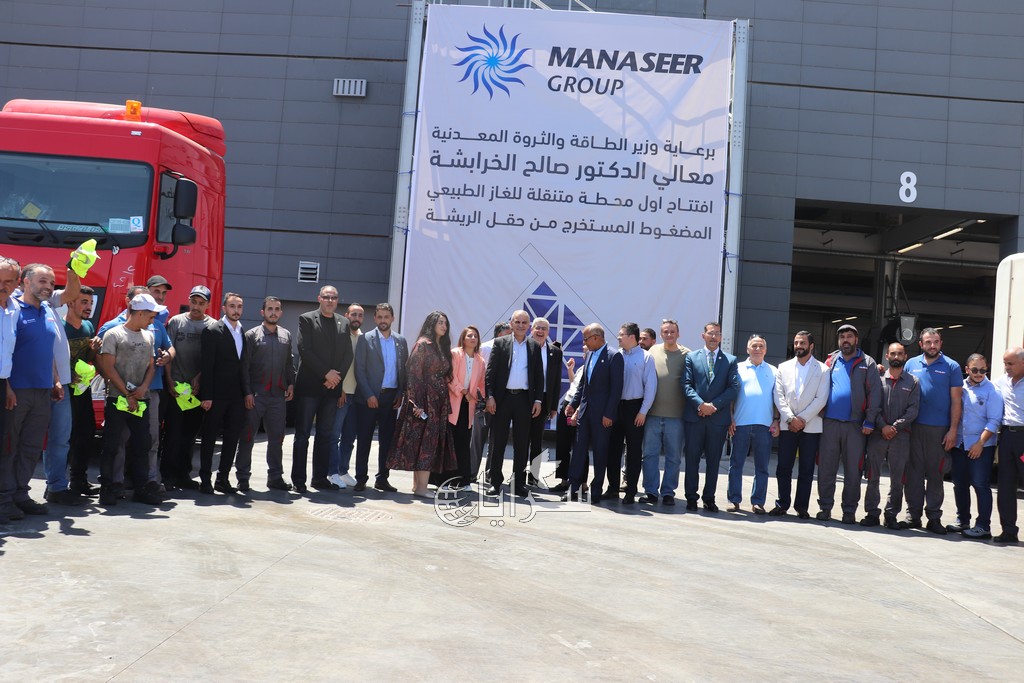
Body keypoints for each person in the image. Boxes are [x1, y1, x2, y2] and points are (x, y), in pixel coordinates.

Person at [0, 263, 62, 520]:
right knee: (9, 447)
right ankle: (4, 499)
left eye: (51, 283)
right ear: (25, 282)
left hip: (42, 391)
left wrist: (55, 380)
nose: (48, 287)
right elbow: (5, 351)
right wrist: (8, 386)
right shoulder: (13, 310)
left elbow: (48, 351)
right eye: (42, 281)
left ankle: (20, 495)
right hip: (16, 391)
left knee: (31, 447)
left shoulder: (47, 310)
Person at [96, 293, 164, 506]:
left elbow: (151, 366)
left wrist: (142, 389)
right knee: (112, 444)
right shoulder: (113, 334)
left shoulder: (149, 336)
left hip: (141, 400)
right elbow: (108, 368)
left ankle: (141, 488)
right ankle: (107, 488)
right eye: (151, 316)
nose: (152, 320)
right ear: (140, 313)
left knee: (142, 444)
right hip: (117, 399)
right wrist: (127, 394)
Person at [816, 324, 881, 524]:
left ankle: (849, 511)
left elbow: (875, 393)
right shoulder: (831, 361)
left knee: (853, 471)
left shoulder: (867, 362)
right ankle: (825, 507)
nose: (846, 340)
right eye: (842, 337)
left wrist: (870, 420)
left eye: (849, 336)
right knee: (826, 468)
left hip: (856, 426)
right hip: (830, 424)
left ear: (856, 339)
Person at [388, 311, 458, 496]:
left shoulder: (440, 346)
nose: (444, 326)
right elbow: (413, 375)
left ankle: (418, 487)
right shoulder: (423, 344)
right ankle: (421, 488)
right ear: (431, 324)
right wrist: (415, 403)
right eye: (440, 322)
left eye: (446, 323)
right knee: (425, 443)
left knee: (427, 444)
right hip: (424, 403)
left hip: (438, 402)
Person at [292, 286, 353, 493]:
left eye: (334, 297)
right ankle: (298, 480)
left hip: (332, 390)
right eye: (326, 297)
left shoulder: (344, 322)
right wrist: (326, 374)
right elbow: (304, 350)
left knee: (325, 435)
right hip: (309, 388)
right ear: (319, 298)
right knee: (302, 435)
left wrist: (335, 378)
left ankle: (319, 478)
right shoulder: (307, 319)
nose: (330, 300)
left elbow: (348, 355)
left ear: (337, 300)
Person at [903, 328, 962, 534]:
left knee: (936, 475)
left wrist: (953, 430)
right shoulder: (911, 364)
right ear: (921, 344)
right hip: (913, 428)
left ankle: (934, 518)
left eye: (936, 342)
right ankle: (913, 515)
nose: (932, 345)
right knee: (913, 474)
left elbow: (956, 401)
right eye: (928, 342)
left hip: (939, 431)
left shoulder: (952, 366)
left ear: (941, 343)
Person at [238, 296, 295, 491]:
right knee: (247, 437)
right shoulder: (251, 335)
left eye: (277, 309)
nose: (273, 312)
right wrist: (247, 392)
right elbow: (244, 367)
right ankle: (243, 477)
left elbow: (289, 363)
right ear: (262, 312)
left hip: (278, 397)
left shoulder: (286, 335)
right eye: (270, 309)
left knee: (277, 440)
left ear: (281, 312)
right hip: (256, 396)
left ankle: (275, 477)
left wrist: (291, 384)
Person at [485, 310, 544, 496]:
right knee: (498, 441)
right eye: (517, 322)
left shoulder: (534, 346)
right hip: (502, 399)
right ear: (511, 323)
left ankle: (518, 483)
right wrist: (490, 396)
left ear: (529, 325)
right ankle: (495, 482)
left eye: (524, 322)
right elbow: (490, 373)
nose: (520, 325)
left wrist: (538, 400)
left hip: (524, 400)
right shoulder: (500, 343)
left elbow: (539, 376)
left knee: (522, 443)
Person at [682, 321, 739, 512]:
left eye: (717, 334)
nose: (714, 337)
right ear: (703, 335)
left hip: (717, 419)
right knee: (692, 459)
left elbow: (733, 388)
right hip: (695, 417)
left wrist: (713, 406)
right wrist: (701, 405)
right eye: (711, 333)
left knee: (713, 461)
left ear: (721, 337)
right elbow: (686, 385)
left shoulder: (730, 360)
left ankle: (709, 498)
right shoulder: (692, 357)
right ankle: (691, 497)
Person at [771, 331, 828, 519]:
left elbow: (821, 398)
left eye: (802, 343)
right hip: (788, 425)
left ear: (811, 346)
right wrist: (790, 418)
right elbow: (778, 396)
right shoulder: (783, 367)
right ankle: (782, 504)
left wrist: (802, 419)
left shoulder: (823, 370)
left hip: (810, 426)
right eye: (796, 343)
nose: (798, 346)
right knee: (783, 467)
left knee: (806, 468)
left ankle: (802, 507)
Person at [162, 285, 215, 489]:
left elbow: (212, 359)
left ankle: (183, 475)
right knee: (172, 434)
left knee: (190, 435)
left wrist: (200, 378)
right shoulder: (176, 322)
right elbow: (167, 352)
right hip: (176, 389)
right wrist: (169, 380)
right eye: (194, 302)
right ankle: (167, 476)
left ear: (208, 305)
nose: (196, 307)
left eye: (201, 303)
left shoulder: (213, 326)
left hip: (196, 392)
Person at [861, 342, 919, 529]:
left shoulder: (913, 382)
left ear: (905, 357)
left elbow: (913, 410)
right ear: (887, 356)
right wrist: (883, 426)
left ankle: (891, 515)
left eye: (899, 354)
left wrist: (894, 427)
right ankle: (872, 513)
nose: (896, 357)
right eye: (892, 354)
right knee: (873, 476)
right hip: (878, 435)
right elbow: (871, 405)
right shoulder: (877, 379)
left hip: (900, 436)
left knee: (897, 479)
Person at [564, 323, 623, 504]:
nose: (584, 343)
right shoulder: (589, 354)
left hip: (602, 415)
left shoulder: (614, 356)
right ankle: (573, 488)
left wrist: (609, 414)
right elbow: (583, 384)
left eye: (586, 339)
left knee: (600, 452)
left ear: (596, 338)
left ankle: (596, 489)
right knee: (578, 451)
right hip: (585, 413)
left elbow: (616, 389)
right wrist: (574, 404)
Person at [198, 292, 250, 494]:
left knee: (232, 438)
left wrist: (246, 393)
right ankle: (205, 480)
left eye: (239, 306)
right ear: (224, 308)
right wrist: (206, 396)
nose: (236, 310)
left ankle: (223, 479)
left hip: (236, 396)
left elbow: (242, 365)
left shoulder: (242, 331)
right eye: (232, 306)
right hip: (215, 395)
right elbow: (207, 366)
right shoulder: (212, 330)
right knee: (209, 438)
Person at [354, 302, 407, 492]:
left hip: (391, 398)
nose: (383, 320)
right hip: (369, 397)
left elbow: (403, 370)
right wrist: (369, 394)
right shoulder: (365, 339)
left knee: (387, 441)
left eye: (387, 317)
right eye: (380, 317)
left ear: (392, 318)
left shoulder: (401, 341)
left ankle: (382, 479)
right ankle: (361, 479)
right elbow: (359, 370)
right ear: (375, 318)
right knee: (364, 439)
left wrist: (400, 393)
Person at [947, 353, 1001, 539]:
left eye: (983, 370)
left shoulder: (992, 391)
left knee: (980, 484)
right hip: (960, 444)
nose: (979, 373)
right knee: (959, 483)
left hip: (981, 446)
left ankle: (983, 526)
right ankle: (962, 520)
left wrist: (980, 443)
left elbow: (994, 421)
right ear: (967, 369)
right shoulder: (959, 387)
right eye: (975, 370)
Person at [727, 335, 780, 514]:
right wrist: (730, 418)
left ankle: (758, 501)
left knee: (762, 466)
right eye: (754, 346)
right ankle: (734, 499)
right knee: (736, 464)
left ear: (765, 349)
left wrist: (776, 420)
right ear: (747, 349)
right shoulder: (737, 368)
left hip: (764, 425)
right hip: (740, 424)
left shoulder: (773, 371)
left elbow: (777, 399)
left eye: (760, 346)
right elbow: (731, 396)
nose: (757, 349)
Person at [640, 319, 690, 505]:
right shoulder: (652, 352)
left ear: (678, 334)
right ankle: (651, 491)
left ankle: (668, 492)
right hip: (652, 414)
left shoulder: (687, 355)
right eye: (666, 332)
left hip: (676, 416)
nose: (669, 335)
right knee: (649, 455)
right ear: (660, 334)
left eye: (672, 332)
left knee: (673, 458)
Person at [609, 322, 657, 505]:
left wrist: (643, 411)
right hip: (616, 408)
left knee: (634, 451)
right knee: (613, 449)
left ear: (631, 337)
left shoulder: (646, 357)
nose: (618, 337)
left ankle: (630, 491)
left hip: (635, 408)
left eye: (621, 334)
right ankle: (612, 488)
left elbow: (651, 387)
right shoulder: (617, 355)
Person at [64, 284, 101, 496]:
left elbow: (88, 360)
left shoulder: (88, 327)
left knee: (86, 433)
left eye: (91, 303)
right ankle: (56, 485)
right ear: (70, 302)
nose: (88, 307)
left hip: (83, 390)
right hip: (63, 391)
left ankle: (79, 480)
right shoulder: (60, 327)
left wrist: (93, 350)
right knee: (64, 437)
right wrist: (66, 376)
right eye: (84, 302)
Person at [328, 303, 364, 489]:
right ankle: (332, 472)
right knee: (334, 435)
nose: (356, 318)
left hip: (357, 395)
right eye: (353, 314)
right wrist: (340, 389)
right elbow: (335, 363)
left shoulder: (364, 338)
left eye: (360, 315)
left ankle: (343, 470)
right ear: (346, 315)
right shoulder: (340, 335)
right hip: (341, 393)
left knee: (349, 438)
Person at [448, 325, 486, 489]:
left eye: (475, 336)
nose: (473, 338)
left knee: (464, 443)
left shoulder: (480, 360)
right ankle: (446, 480)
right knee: (450, 442)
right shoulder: (455, 354)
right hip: (453, 403)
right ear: (463, 339)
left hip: (468, 405)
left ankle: (463, 481)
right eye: (469, 335)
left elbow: (482, 383)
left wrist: (486, 399)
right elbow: (450, 377)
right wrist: (463, 391)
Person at [993, 347, 1024, 544]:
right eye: (1005, 363)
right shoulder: (1002, 381)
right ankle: (1009, 531)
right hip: (1006, 438)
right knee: (1005, 485)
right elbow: (981, 387)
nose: (1007, 367)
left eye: (1010, 364)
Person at [474, 321, 511, 482]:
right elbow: (479, 374)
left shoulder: (512, 349)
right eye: (508, 334)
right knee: (478, 438)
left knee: (496, 439)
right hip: (483, 399)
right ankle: (471, 474)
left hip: (503, 399)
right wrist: (484, 397)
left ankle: (491, 473)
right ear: (499, 334)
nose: (511, 337)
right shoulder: (485, 348)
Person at [528, 317, 562, 487]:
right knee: (521, 440)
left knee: (537, 440)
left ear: (548, 332)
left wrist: (553, 406)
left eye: (544, 329)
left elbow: (556, 381)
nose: (540, 331)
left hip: (543, 401)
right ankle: (518, 474)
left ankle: (533, 476)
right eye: (537, 328)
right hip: (524, 399)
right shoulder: (524, 347)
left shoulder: (555, 352)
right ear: (531, 330)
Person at [0, 257, 19, 521]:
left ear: (17, 283)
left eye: (7, 281)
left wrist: (7, 386)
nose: (2, 286)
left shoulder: (14, 309)